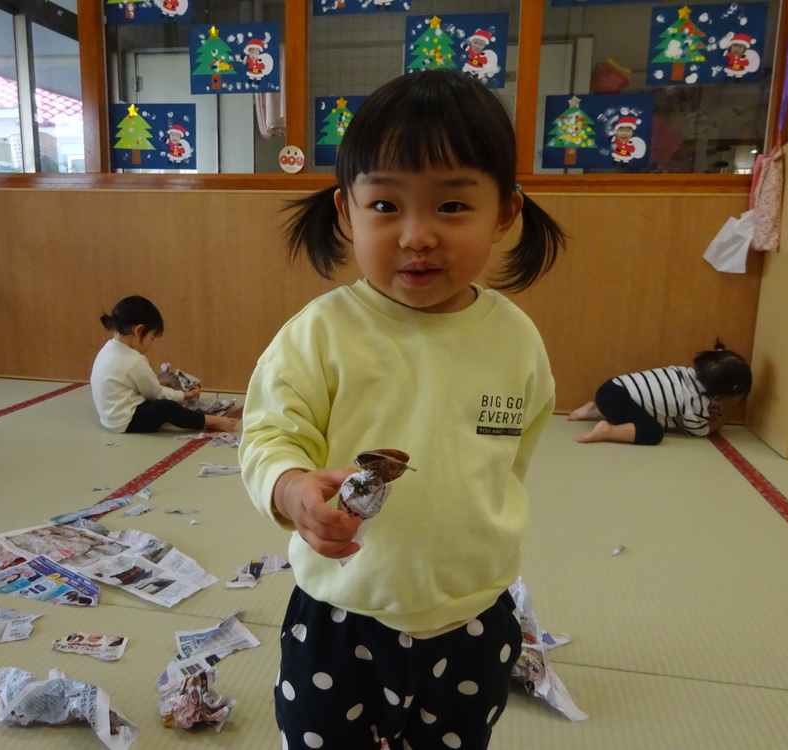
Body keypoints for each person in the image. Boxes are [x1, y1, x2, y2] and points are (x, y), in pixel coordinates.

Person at [239, 70, 567, 750]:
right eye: (386, 206)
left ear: (505, 212)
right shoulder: (320, 333)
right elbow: (271, 431)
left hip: (473, 613)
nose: (417, 235)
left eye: (451, 206)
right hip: (339, 609)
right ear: (346, 212)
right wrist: (292, 487)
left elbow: (511, 460)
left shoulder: (516, 339)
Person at [90, 295, 237, 434]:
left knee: (163, 391)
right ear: (139, 330)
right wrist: (184, 395)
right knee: (166, 408)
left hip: (109, 419)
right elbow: (157, 395)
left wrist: (157, 383)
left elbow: (126, 381)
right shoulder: (134, 360)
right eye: (152, 338)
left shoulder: (108, 349)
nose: (151, 344)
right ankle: (209, 421)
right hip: (127, 422)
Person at [568, 340, 752, 445]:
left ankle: (593, 410)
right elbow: (695, 431)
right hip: (621, 400)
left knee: (636, 411)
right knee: (653, 432)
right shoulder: (697, 401)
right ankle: (608, 431)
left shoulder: (683, 372)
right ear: (719, 395)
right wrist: (716, 424)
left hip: (611, 388)